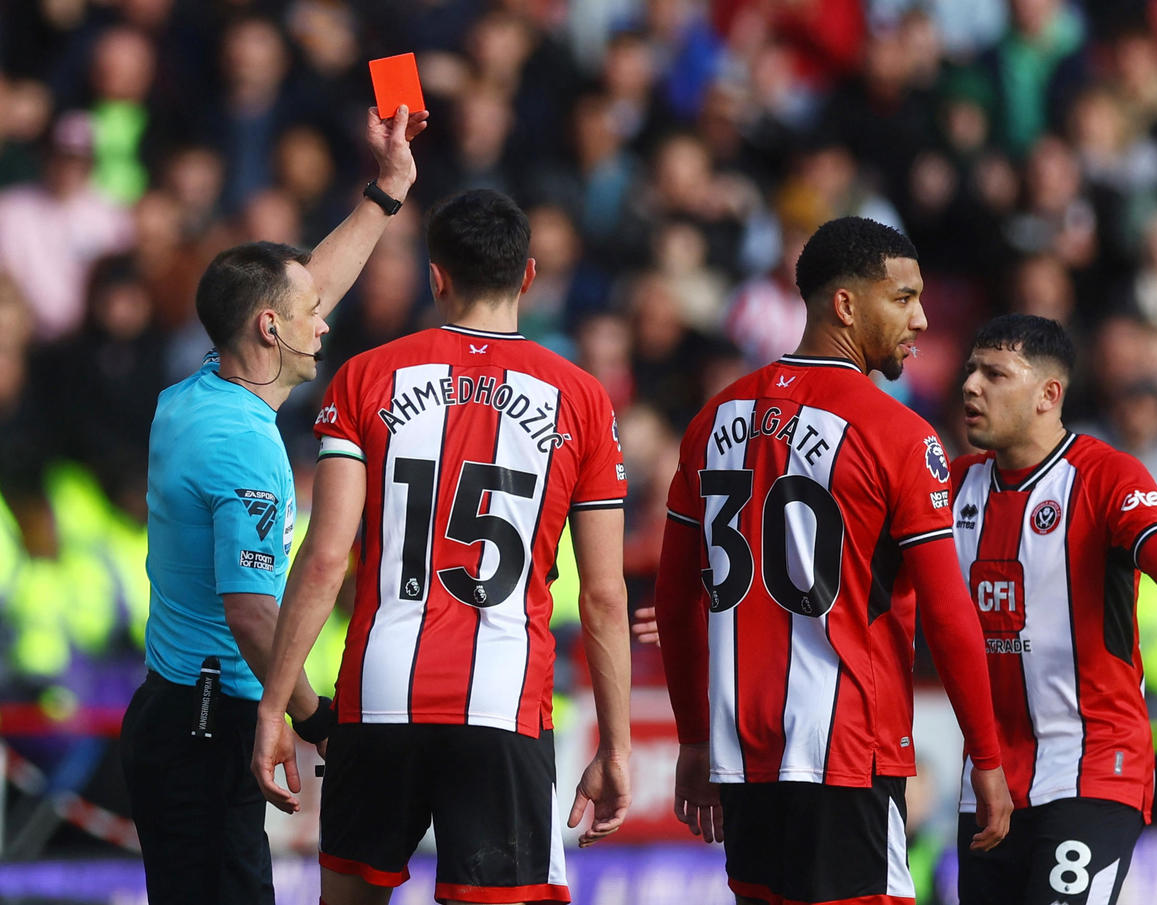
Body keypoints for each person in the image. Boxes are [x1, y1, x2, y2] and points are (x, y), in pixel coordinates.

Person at [251, 188, 632, 905]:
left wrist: (274, 707)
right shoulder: (582, 398)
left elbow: (325, 557)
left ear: (436, 277)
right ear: (528, 276)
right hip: (504, 702)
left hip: (378, 694)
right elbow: (605, 596)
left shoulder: (365, 375)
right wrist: (616, 746)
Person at [118, 104, 429, 905]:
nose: (323, 323)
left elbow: (304, 284)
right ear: (268, 329)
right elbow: (254, 614)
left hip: (175, 709)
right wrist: (314, 717)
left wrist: (385, 193)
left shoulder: (196, 391)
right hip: (209, 722)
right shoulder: (245, 446)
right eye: (307, 317)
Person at [653, 216, 1012, 905]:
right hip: (846, 747)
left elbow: (674, 601)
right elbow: (947, 614)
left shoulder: (712, 420)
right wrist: (987, 759)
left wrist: (696, 739)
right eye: (903, 298)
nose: (922, 318)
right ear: (845, 304)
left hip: (743, 753)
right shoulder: (899, 434)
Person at [951, 313, 1157, 905]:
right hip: (987, 779)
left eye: (995, 374)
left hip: (1092, 768)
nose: (971, 386)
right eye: (971, 370)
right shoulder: (953, 487)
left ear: (1047, 395)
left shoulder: (1105, 475)